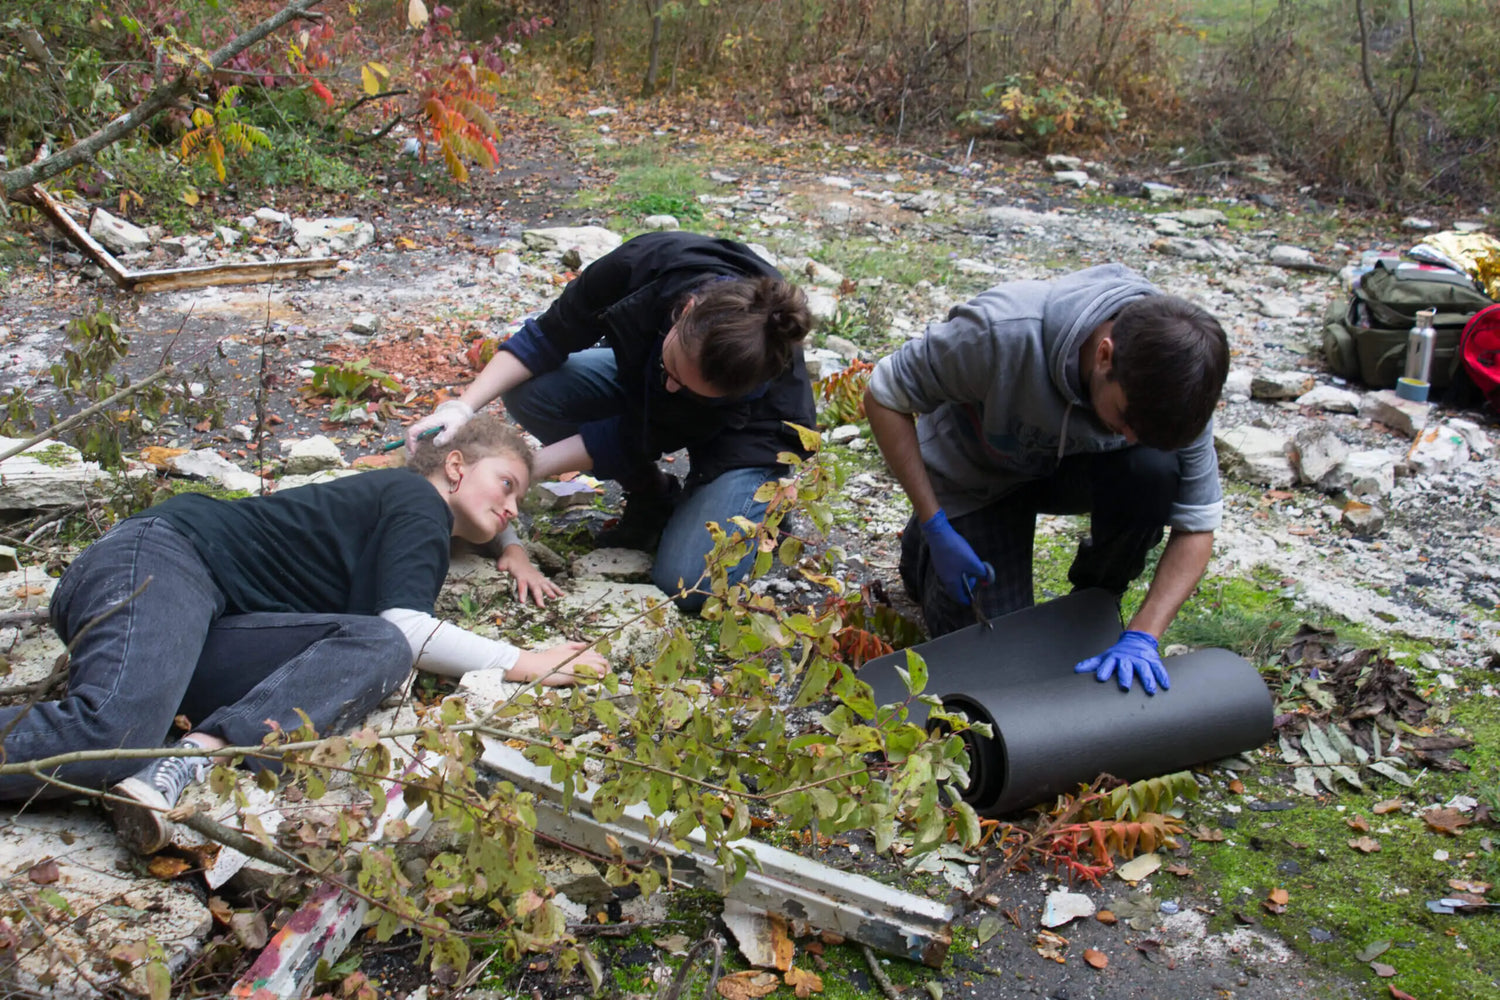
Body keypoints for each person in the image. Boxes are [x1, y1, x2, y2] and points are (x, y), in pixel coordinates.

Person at [0, 416, 608, 853]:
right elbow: (409, 623)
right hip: (166, 558)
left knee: (377, 648)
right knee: (110, 731)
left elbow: (391, 633)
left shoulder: (418, 516)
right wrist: (524, 660)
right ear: (454, 467)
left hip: (214, 624)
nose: (512, 508)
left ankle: (190, 757)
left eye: (520, 500)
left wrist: (510, 547)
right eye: (507, 486)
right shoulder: (416, 500)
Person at [863, 264, 1229, 696]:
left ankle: (1096, 597)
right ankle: (924, 547)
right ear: (1104, 356)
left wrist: (1144, 634)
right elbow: (884, 395)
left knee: (1151, 468)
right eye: (1125, 418)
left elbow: (1197, 525)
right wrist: (935, 522)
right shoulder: (1001, 333)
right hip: (979, 472)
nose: (1131, 437)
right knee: (992, 665)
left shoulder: (1178, 390)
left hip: (1073, 471)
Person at [406, 232, 815, 612]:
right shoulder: (643, 266)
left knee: (689, 584)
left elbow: (631, 436)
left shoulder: (752, 378)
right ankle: (654, 494)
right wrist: (461, 407)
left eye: (685, 386)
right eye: (674, 368)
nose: (672, 387)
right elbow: (546, 337)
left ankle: (753, 500)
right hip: (645, 377)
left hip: (749, 435)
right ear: (685, 310)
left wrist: (520, 471)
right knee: (531, 388)